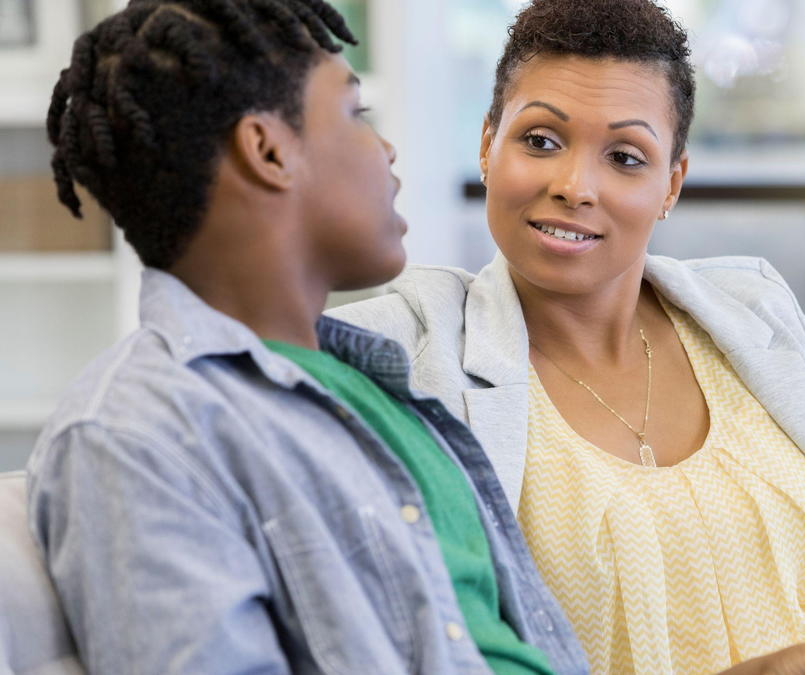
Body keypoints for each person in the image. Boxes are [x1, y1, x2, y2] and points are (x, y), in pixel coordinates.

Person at [332, 1, 805, 674]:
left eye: (625, 157)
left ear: (672, 183)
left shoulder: (757, 312)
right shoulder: (411, 346)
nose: (576, 185)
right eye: (541, 140)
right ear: (489, 146)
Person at [27, 1, 589, 672]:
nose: (386, 148)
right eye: (355, 115)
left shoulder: (374, 381)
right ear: (267, 150)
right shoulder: (136, 433)